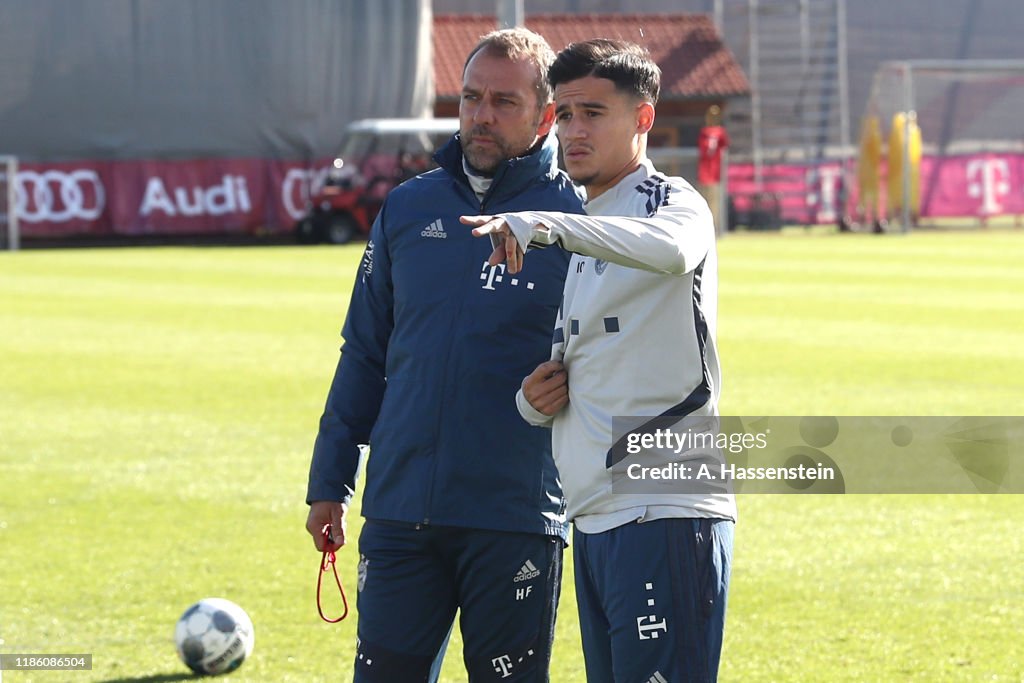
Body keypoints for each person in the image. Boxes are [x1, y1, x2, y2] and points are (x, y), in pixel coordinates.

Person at [304, 28, 584, 683]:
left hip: (515, 514)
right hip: (401, 511)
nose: (482, 116)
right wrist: (331, 481)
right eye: (471, 98)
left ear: (545, 116)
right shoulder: (407, 206)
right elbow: (363, 352)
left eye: (504, 102)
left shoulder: (577, 219)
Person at [463, 39, 736, 682]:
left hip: (665, 508)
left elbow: (671, 251)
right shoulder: (588, 225)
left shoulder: (672, 203)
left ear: (643, 119)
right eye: (563, 114)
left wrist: (552, 225)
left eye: (593, 113)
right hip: (594, 518)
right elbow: (590, 365)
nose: (573, 131)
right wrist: (535, 403)